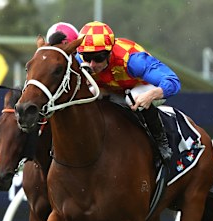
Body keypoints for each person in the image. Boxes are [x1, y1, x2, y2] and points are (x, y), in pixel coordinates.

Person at [76, 21, 181, 162]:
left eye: (98, 58)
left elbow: (173, 82)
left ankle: (161, 141)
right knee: (89, 92)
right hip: (113, 88)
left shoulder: (133, 60)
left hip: (142, 87)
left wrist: (151, 95)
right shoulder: (78, 60)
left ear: (109, 52)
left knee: (133, 97)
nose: (92, 64)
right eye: (87, 58)